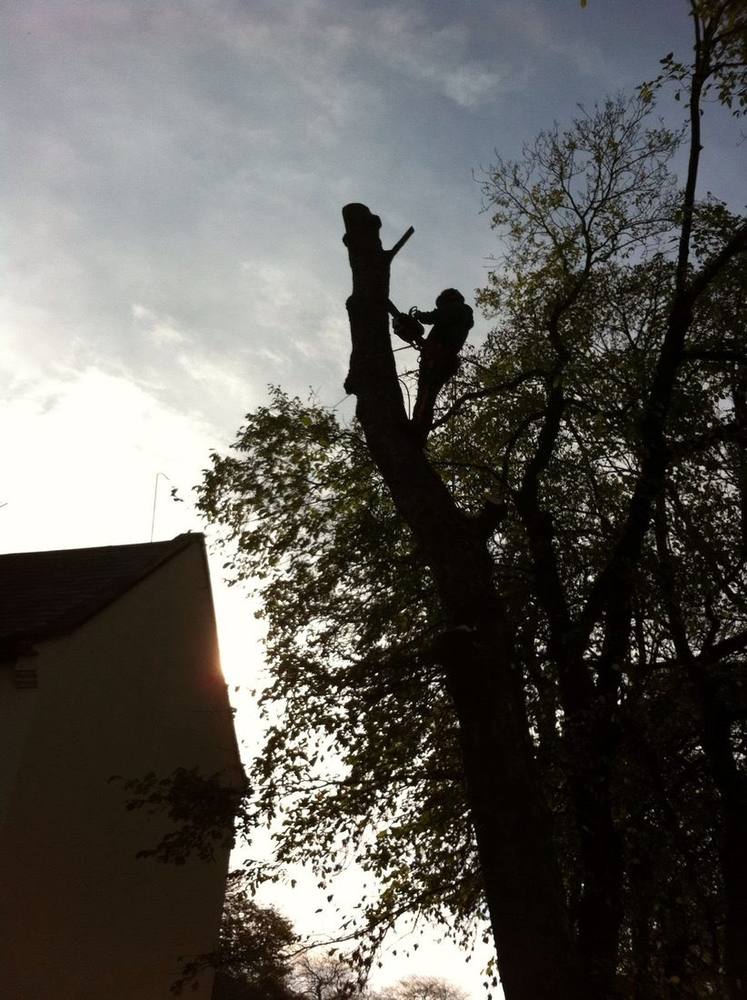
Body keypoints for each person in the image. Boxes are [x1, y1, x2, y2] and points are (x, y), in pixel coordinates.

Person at [410, 288, 473, 439]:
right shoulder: (460, 315)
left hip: (438, 358)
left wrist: (419, 315)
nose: (440, 308)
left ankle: (417, 430)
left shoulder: (457, 309)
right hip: (442, 358)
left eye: (441, 305)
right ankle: (419, 430)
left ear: (448, 300)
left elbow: (435, 316)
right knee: (427, 397)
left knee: (425, 395)